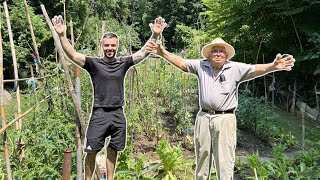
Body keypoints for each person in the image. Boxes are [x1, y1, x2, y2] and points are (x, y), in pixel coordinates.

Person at [148, 37, 295, 180]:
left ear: (226, 55)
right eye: (214, 51)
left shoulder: (235, 68)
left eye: (221, 51)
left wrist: (273, 66)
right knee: (202, 158)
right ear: (209, 55)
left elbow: (255, 69)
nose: (218, 53)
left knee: (225, 161)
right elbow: (181, 63)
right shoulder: (201, 65)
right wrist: (162, 52)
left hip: (225, 119)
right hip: (204, 118)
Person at [51, 15, 167, 180]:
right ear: (102, 46)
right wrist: (62, 36)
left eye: (113, 45)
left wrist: (155, 35)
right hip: (99, 113)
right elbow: (73, 55)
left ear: (117, 46)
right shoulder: (94, 63)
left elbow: (143, 53)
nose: (110, 48)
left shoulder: (123, 62)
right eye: (107, 45)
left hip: (118, 114)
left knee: (113, 149)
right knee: (91, 151)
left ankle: (110, 178)